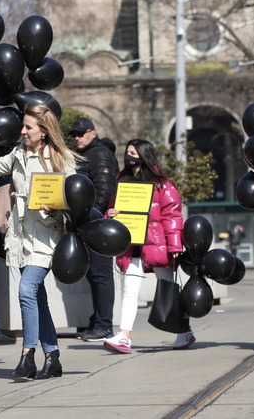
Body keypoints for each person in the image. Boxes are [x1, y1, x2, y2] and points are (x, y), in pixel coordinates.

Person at [0, 103, 78, 380]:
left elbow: (76, 199)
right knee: (38, 300)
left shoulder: (60, 158)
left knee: (27, 291)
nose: (23, 131)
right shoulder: (18, 153)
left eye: (28, 127)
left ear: (44, 130)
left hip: (45, 236)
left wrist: (58, 208)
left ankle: (27, 355)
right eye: (23, 126)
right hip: (19, 236)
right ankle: (52, 356)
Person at [103, 139, 195, 354]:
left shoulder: (163, 185)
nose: (129, 157)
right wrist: (110, 215)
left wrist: (174, 248)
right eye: (127, 153)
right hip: (132, 243)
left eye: (133, 153)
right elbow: (111, 209)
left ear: (144, 156)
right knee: (129, 290)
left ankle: (184, 332)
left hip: (158, 243)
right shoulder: (121, 180)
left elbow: (172, 216)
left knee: (167, 291)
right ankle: (124, 336)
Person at [69, 118, 119, 342]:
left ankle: (104, 325)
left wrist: (92, 220)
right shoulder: (88, 154)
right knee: (93, 275)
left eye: (81, 133)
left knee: (101, 275)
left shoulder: (99, 154)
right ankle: (97, 320)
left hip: (97, 226)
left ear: (93, 133)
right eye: (74, 134)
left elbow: (104, 190)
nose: (77, 137)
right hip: (89, 225)